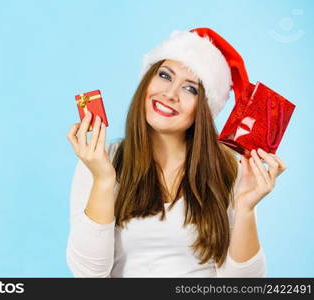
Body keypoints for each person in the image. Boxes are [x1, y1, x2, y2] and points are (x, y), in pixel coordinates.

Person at [65, 28, 287, 277]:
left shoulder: (230, 167)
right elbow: (88, 274)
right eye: (164, 75)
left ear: (204, 108)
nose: (170, 94)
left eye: (190, 89)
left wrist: (245, 208)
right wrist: (103, 180)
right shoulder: (100, 161)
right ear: (147, 80)